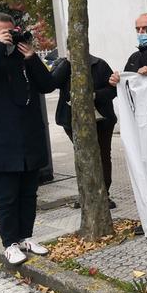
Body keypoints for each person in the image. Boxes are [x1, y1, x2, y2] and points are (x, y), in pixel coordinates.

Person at [0, 13, 55, 265]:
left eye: (11, 31)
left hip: (28, 137)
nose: (9, 36)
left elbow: (47, 85)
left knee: (29, 193)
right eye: (1, 33)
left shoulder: (23, 57)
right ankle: (9, 243)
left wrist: (32, 58)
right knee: (7, 196)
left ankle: (26, 237)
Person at [51, 48, 117, 208]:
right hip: (72, 121)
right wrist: (67, 63)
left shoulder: (99, 65)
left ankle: (103, 195)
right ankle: (87, 195)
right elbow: (52, 83)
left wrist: (94, 95)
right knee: (83, 157)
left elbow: (113, 90)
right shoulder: (63, 65)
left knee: (101, 156)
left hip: (101, 120)